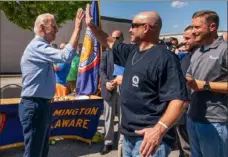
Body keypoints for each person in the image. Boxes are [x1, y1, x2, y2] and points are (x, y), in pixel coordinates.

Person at [85, 4, 188, 157]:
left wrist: (158, 130)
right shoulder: (133, 51)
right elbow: (108, 41)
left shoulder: (165, 58)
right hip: (128, 136)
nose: (130, 29)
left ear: (146, 28)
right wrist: (91, 26)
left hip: (149, 140)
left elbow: (179, 101)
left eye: (133, 26)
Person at [19, 8, 84, 157]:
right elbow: (66, 56)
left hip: (41, 105)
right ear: (41, 28)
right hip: (35, 105)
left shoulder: (42, 47)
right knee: (34, 153)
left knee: (41, 151)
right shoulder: (37, 46)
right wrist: (77, 28)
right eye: (53, 26)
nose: (56, 30)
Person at [186, 10, 228, 157]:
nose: (193, 31)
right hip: (192, 116)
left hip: (215, 121)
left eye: (197, 27)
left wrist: (205, 85)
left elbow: (201, 84)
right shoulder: (197, 51)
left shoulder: (224, 49)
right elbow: (190, 76)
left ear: (212, 27)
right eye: (192, 27)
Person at [175, 25, 200, 157]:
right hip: (182, 103)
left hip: (199, 109)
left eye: (187, 38)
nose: (184, 42)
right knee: (182, 133)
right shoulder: (184, 58)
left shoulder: (203, 58)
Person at [99, 30, 123, 155]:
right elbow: (101, 70)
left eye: (117, 38)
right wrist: (106, 82)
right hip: (109, 89)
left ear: (122, 39)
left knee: (122, 119)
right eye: (113, 38)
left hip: (123, 90)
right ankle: (108, 143)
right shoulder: (106, 54)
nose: (115, 40)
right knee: (108, 118)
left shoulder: (128, 54)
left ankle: (122, 143)